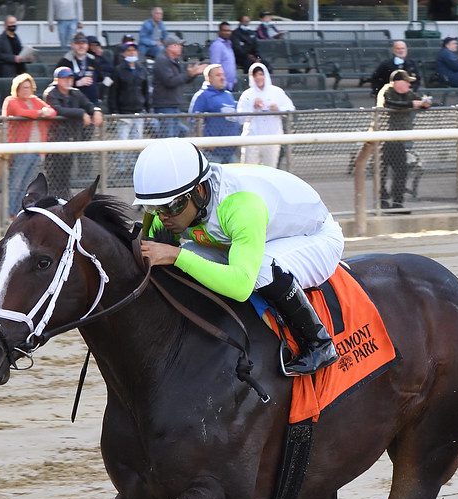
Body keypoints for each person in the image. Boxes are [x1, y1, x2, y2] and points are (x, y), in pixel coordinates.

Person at [135, 138, 343, 376]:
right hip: (260, 234)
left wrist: (175, 255)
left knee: (261, 268)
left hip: (314, 236)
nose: (163, 217)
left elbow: (241, 285)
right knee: (190, 255)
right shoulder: (179, 202)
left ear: (199, 191)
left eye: (171, 207)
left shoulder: (241, 206)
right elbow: (151, 244)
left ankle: (318, 343)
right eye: (154, 208)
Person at [1, 73, 57, 218]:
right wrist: (40, 113)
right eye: (23, 87)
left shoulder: (35, 100)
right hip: (21, 149)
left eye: (28, 87)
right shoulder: (11, 100)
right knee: (15, 183)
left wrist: (43, 112)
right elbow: (21, 112)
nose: (26, 90)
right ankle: (9, 213)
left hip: (38, 150)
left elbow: (52, 112)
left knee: (26, 183)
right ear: (17, 89)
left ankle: (18, 211)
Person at [375, 70, 431, 211]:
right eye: (405, 81)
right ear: (397, 82)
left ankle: (397, 204)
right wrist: (412, 104)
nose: (408, 84)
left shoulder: (408, 94)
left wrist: (425, 103)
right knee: (381, 171)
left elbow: (419, 102)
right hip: (383, 138)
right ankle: (382, 201)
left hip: (398, 139)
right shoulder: (387, 90)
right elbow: (390, 104)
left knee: (401, 170)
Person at [43, 66, 101, 195]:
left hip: (71, 138)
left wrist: (96, 111)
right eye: (64, 78)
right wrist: (81, 113)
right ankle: (54, 202)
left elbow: (88, 104)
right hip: (55, 141)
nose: (68, 80)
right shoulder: (50, 93)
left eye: (70, 78)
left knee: (65, 176)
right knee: (54, 176)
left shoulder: (75, 92)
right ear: (57, 80)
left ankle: (64, 200)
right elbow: (59, 110)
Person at [236, 62, 294, 167]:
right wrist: (253, 108)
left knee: (271, 168)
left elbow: (290, 109)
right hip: (252, 138)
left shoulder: (277, 92)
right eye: (255, 75)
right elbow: (240, 118)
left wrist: (278, 109)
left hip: (273, 137)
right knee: (249, 168)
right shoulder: (247, 94)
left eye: (260, 74)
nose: (258, 77)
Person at [108, 42, 149, 178]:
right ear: (123, 53)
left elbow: (145, 91)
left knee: (137, 141)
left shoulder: (142, 69)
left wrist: (147, 109)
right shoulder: (118, 70)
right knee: (123, 142)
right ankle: (121, 168)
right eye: (129, 50)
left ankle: (134, 167)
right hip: (123, 113)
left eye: (134, 50)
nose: (132, 53)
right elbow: (113, 92)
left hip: (138, 111)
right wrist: (114, 111)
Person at [152, 35, 205, 138]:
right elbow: (170, 81)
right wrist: (188, 74)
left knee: (179, 134)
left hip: (173, 104)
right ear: (170, 47)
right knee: (169, 138)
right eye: (178, 45)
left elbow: (182, 80)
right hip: (165, 105)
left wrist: (193, 74)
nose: (181, 47)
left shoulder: (175, 60)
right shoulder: (162, 60)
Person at [188, 64, 241, 164]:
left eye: (223, 75)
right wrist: (205, 142)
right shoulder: (202, 96)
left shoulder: (228, 95)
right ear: (209, 78)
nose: (222, 78)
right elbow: (193, 121)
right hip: (213, 154)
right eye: (218, 75)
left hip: (231, 151)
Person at [56, 32, 101, 106]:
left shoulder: (93, 61)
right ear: (72, 45)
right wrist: (76, 83)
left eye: (83, 43)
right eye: (77, 43)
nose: (81, 46)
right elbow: (57, 83)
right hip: (72, 104)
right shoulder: (65, 62)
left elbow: (100, 78)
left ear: (87, 46)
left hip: (92, 102)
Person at [208, 21, 237, 93]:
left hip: (231, 85)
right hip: (222, 85)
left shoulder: (229, 44)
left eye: (229, 31)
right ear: (219, 32)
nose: (227, 33)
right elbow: (215, 66)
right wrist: (223, 83)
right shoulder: (217, 45)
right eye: (225, 30)